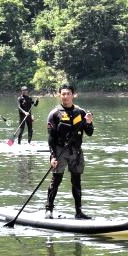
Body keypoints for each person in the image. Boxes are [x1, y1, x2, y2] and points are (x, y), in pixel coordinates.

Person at [45, 84, 94, 220]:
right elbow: (50, 138)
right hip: (60, 151)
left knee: (76, 181)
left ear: (73, 95)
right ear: (59, 95)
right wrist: (53, 157)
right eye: (63, 94)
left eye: (68, 94)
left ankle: (79, 212)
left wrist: (89, 122)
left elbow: (89, 132)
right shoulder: (54, 114)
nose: (65, 96)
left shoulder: (81, 112)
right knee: (56, 180)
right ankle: (49, 209)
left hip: (76, 152)